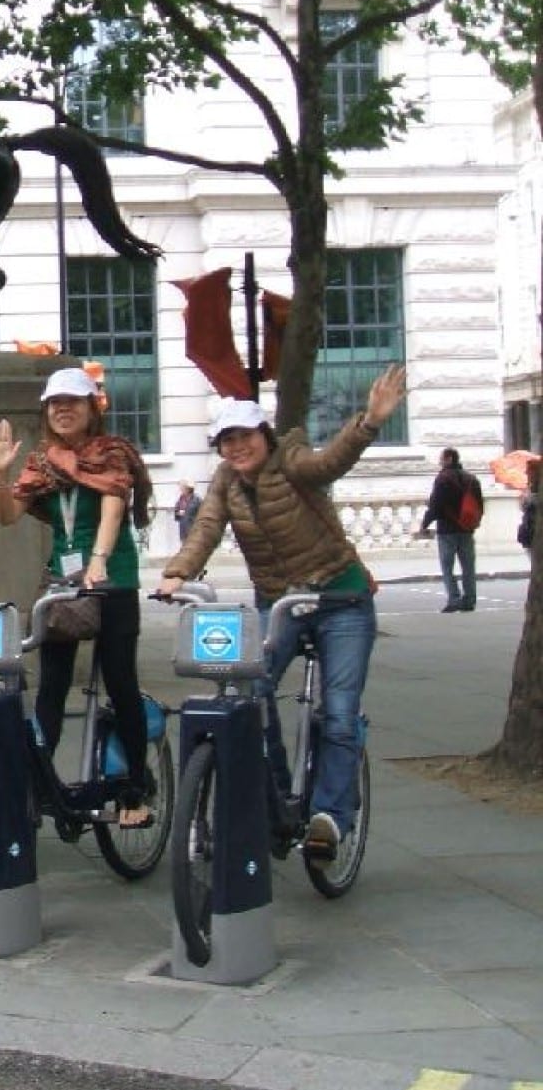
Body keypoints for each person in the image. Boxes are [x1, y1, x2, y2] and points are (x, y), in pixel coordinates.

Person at [159, 364, 409, 862]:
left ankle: (329, 819)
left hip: (340, 599)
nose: (237, 447)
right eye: (227, 440)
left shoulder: (291, 459)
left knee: (339, 714)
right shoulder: (226, 482)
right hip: (281, 604)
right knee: (250, 692)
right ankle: (275, 800)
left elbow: (330, 463)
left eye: (245, 436)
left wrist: (369, 422)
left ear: (264, 435)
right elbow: (206, 527)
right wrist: (177, 573)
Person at [0, 368, 155, 828]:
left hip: (111, 578)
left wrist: (98, 561)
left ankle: (135, 790)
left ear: (92, 409)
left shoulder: (111, 454)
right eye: (54, 404)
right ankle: (39, 784)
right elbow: (6, 516)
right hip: (63, 582)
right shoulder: (43, 463)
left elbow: (113, 506)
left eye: (73, 402)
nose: (63, 410)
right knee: (51, 688)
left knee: (120, 682)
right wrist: (0, 474)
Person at [418, 446, 483, 612]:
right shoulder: (471, 479)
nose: (440, 462)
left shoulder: (443, 479)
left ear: (449, 459)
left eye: (442, 458)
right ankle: (469, 600)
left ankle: (454, 599)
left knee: (447, 567)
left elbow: (435, 505)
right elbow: (480, 505)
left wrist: (424, 524)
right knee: (468, 567)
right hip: (466, 529)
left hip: (447, 529)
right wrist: (474, 522)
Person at [173, 478, 202, 544]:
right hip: (183, 529)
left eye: (182, 487)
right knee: (185, 546)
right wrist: (178, 513)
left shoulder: (197, 499)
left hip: (193, 529)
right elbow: (177, 510)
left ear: (188, 488)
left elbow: (202, 514)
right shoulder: (181, 498)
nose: (180, 489)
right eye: (181, 487)